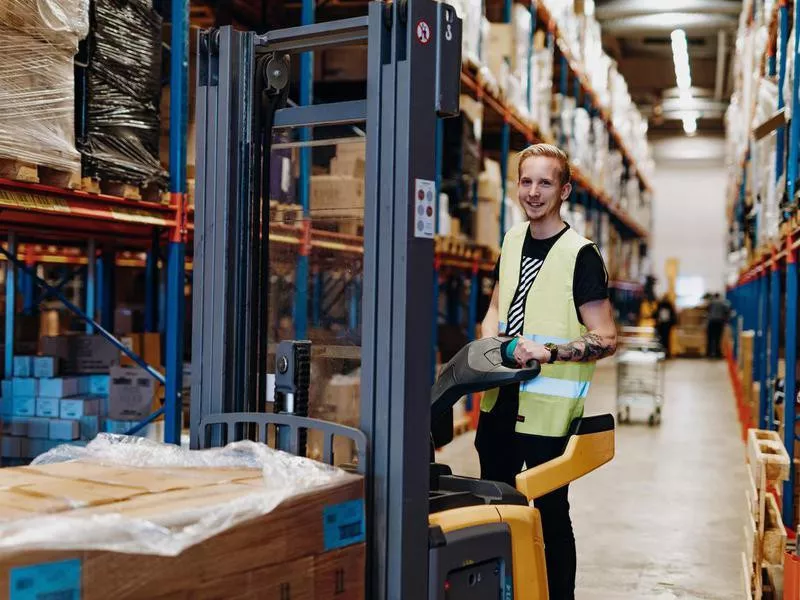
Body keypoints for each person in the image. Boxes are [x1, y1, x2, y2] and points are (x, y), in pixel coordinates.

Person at [478, 143, 617, 599]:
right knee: (493, 510)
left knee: (551, 513)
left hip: (547, 414)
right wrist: (487, 345)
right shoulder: (513, 239)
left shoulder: (581, 255)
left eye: (544, 183)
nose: (533, 192)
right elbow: (499, 302)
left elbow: (606, 337)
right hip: (500, 400)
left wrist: (550, 353)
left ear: (564, 191)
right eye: (526, 181)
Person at [706, 293, 730, 359]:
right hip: (719, 322)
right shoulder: (723, 302)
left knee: (710, 338)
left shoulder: (711, 302)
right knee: (718, 338)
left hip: (711, 322)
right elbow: (727, 311)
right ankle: (717, 354)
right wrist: (725, 319)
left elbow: (707, 310)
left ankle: (709, 354)